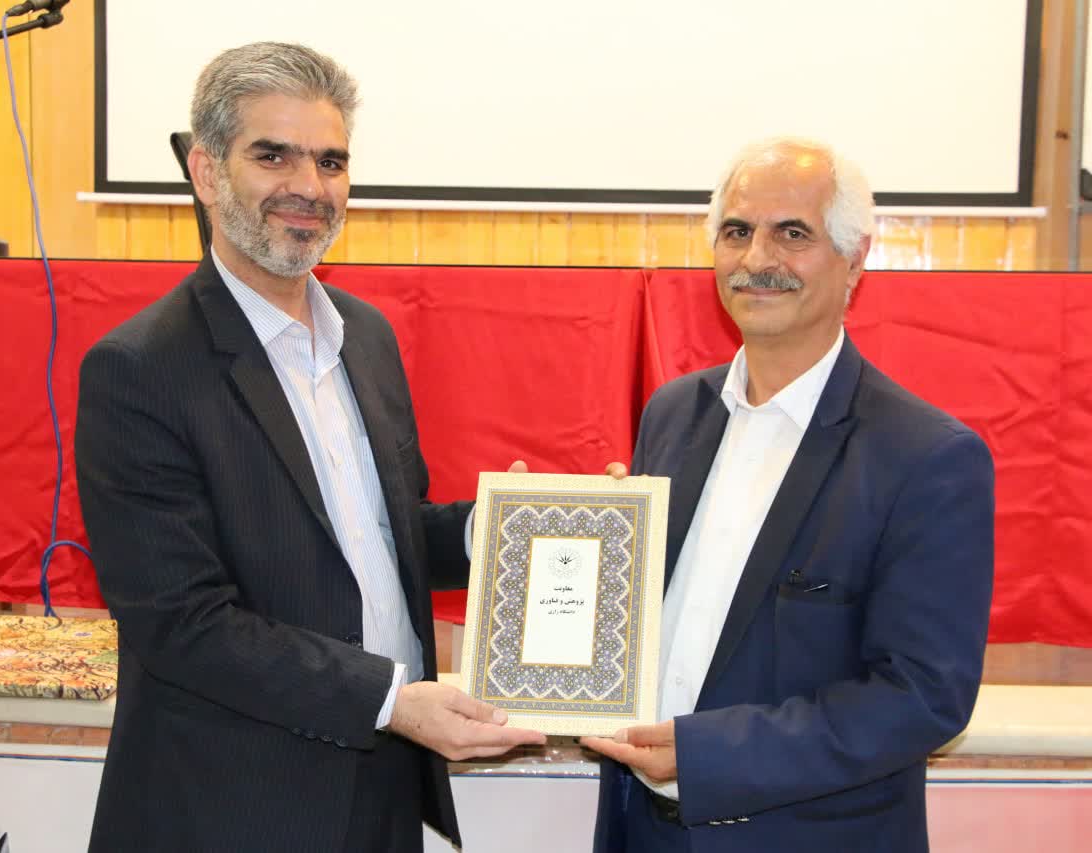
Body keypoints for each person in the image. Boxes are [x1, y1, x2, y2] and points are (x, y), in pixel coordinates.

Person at [74, 42, 543, 852]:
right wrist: (392, 701)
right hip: (235, 808)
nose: (309, 186)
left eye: (331, 161)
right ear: (206, 172)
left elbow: (383, 537)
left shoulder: (367, 336)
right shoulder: (140, 369)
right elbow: (184, 622)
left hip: (384, 788)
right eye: (273, 156)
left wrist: (504, 528)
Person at [583, 138, 995, 852]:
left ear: (855, 260)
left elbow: (925, 695)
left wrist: (710, 756)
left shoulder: (927, 457)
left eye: (792, 234)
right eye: (737, 231)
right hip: (641, 833)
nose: (757, 258)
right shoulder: (673, 414)